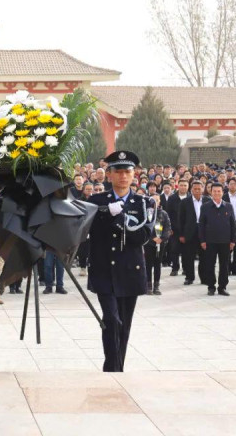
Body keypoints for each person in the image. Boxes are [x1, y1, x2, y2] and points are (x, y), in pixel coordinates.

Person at [87, 150, 154, 372]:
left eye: (127, 172)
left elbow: (143, 236)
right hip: (104, 271)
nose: (123, 176)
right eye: (118, 172)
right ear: (109, 175)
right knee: (111, 320)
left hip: (130, 271)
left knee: (124, 326)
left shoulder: (144, 203)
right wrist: (106, 213)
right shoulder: (96, 201)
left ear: (134, 175)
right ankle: (112, 369)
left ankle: (117, 369)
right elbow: (88, 230)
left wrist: (119, 218)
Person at [198, 182, 236, 296]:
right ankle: (211, 287)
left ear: (222, 192)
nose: (216, 193)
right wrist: (202, 240)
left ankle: (222, 287)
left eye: (219, 191)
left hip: (225, 241)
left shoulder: (228, 206)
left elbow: (233, 225)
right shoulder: (205, 206)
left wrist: (233, 240)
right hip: (210, 241)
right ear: (211, 192)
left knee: (224, 265)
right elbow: (201, 225)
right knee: (210, 264)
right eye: (214, 191)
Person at [179, 180, 210, 285]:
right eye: (195, 189)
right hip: (189, 232)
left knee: (204, 256)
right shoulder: (185, 202)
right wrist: (181, 234)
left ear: (203, 189)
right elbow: (181, 219)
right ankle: (189, 277)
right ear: (191, 189)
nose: (197, 190)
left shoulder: (208, 200)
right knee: (189, 256)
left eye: (199, 188)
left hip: (204, 232)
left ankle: (204, 278)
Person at [144, 196, 171, 295]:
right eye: (153, 200)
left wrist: (162, 238)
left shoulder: (163, 213)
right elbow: (144, 227)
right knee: (148, 264)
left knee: (157, 264)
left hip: (160, 243)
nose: (155, 202)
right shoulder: (146, 212)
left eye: (157, 200)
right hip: (149, 243)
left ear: (159, 201)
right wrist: (152, 237)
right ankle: (148, 285)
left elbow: (167, 227)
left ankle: (156, 285)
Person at [167, 180, 189, 276]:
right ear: (177, 186)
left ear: (188, 187)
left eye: (185, 185)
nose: (183, 187)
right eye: (181, 185)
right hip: (174, 229)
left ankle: (185, 268)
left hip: (187, 229)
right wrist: (169, 228)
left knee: (186, 250)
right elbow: (168, 214)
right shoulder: (172, 198)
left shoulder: (190, 198)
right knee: (174, 249)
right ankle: (175, 268)